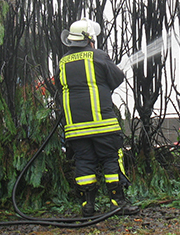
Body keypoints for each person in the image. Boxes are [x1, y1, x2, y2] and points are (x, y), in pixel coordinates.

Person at [58, 18, 139, 217]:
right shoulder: (98, 56)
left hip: (75, 128)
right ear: (89, 39)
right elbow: (116, 79)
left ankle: (88, 206)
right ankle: (117, 203)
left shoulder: (63, 62)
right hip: (103, 125)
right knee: (111, 159)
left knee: (84, 162)